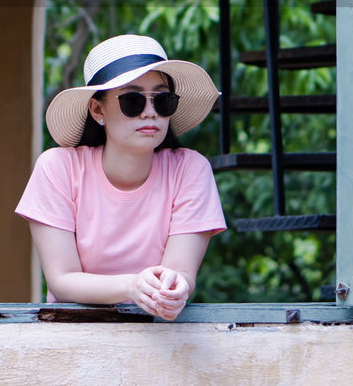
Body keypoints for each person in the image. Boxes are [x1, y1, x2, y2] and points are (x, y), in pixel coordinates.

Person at [15, 34, 226, 320]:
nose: (150, 112)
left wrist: (175, 290)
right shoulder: (58, 168)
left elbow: (182, 272)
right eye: (132, 100)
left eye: (162, 100)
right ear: (98, 109)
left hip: (161, 336)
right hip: (72, 337)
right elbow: (62, 280)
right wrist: (132, 286)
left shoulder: (191, 170)